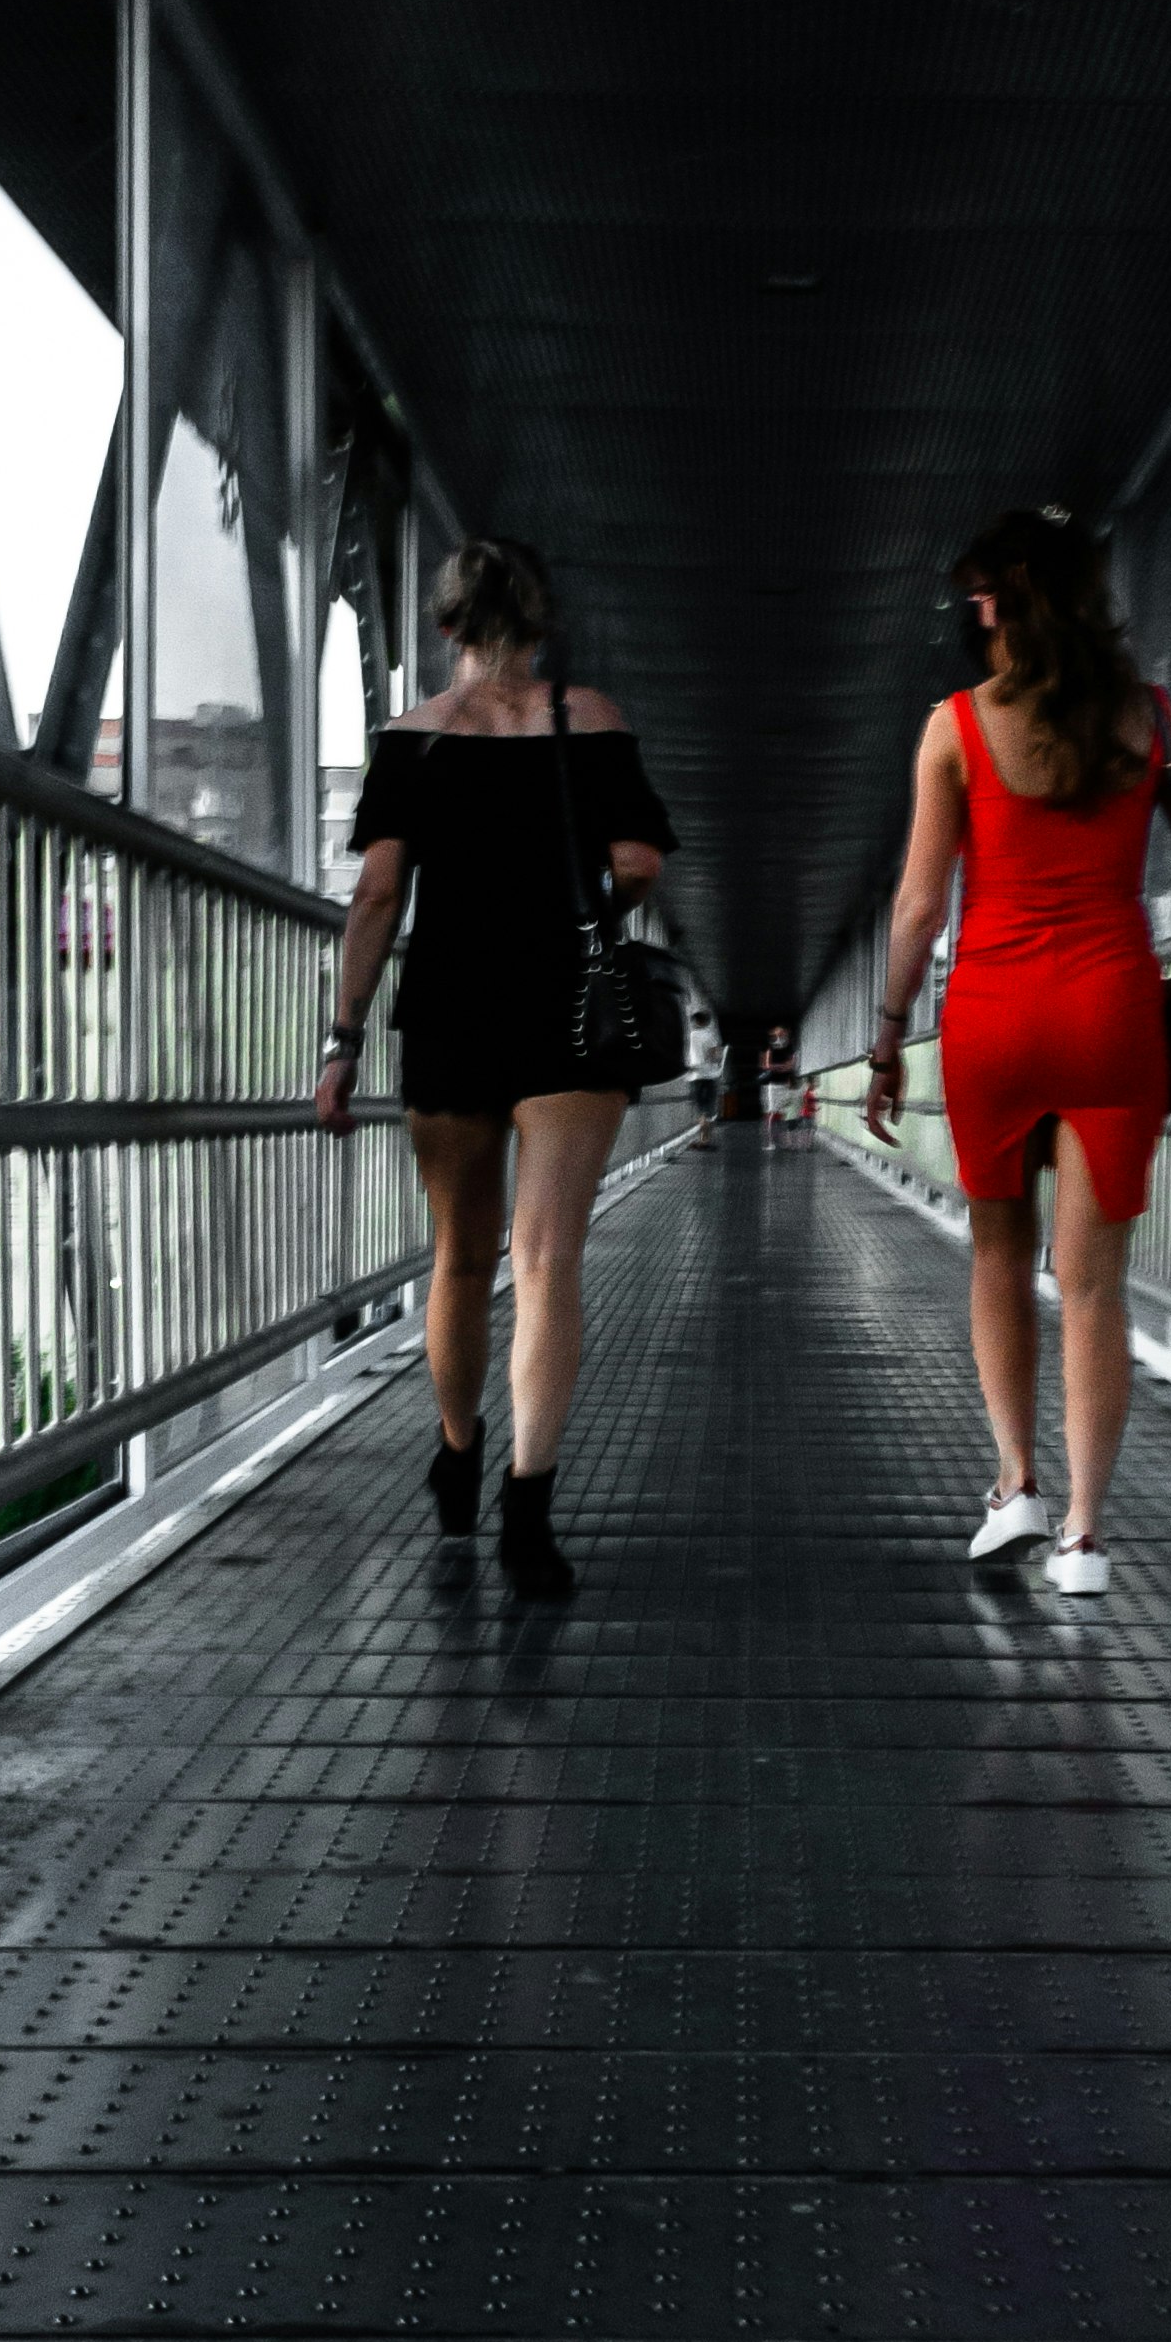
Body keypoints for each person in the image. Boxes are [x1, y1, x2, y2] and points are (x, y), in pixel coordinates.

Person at [864, 506, 1171, 1594]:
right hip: (1114, 1014)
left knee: (996, 1251)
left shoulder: (956, 726)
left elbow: (918, 909)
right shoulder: (1153, 720)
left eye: (978, 599)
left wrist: (889, 1037)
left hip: (993, 1016)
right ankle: (1083, 1536)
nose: (970, 618)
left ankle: (1016, 1482)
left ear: (1005, 602)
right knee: (1093, 1285)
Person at [316, 536, 675, 1597]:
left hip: (454, 1007)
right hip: (568, 1009)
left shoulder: (412, 740)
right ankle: (531, 1507)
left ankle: (458, 1450)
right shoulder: (590, 718)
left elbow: (378, 896)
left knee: (461, 1260)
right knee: (549, 1260)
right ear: (540, 621)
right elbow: (641, 860)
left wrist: (343, 1039)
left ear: (445, 627)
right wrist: (577, 913)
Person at [683, 996, 725, 1150]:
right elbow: (716, 1055)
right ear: (707, 1021)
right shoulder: (711, 1036)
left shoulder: (690, 1037)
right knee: (708, 1111)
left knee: (701, 1111)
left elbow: (685, 1056)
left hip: (695, 1076)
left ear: (695, 1021)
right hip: (710, 1075)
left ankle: (702, 1140)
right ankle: (705, 1141)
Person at [759, 1022, 796, 1148]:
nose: (780, 1036)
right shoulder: (771, 1047)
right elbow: (768, 1065)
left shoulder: (789, 1047)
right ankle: (771, 1142)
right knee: (772, 1113)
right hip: (773, 1085)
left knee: (783, 1113)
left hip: (784, 1083)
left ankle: (786, 1141)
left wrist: (779, 1067)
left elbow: (791, 1065)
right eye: (778, 1034)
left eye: (782, 1034)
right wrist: (782, 1067)